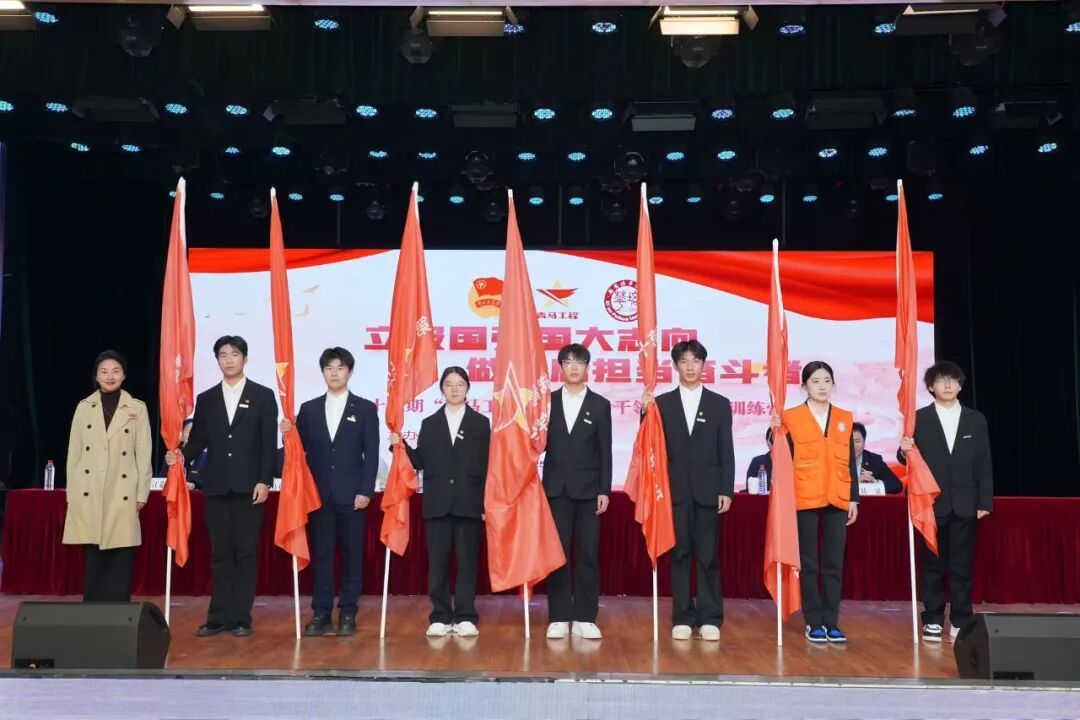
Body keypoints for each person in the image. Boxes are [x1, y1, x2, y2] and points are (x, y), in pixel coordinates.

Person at [167, 335, 276, 637]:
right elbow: (198, 440)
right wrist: (180, 455)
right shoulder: (207, 398)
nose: (229, 360)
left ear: (245, 358)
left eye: (234, 354)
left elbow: (268, 444)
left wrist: (265, 480)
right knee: (220, 553)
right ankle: (217, 616)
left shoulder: (263, 395)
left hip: (249, 487)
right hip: (215, 487)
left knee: (245, 552)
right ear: (217, 360)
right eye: (223, 355)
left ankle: (241, 617)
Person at [281, 347, 378, 637]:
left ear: (350, 372)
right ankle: (321, 613)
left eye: (340, 368)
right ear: (322, 372)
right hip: (317, 495)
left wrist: (365, 490)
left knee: (352, 557)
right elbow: (298, 451)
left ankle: (348, 612)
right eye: (329, 368)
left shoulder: (365, 408)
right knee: (322, 557)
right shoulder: (309, 409)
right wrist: (287, 434)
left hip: (353, 496)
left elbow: (371, 454)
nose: (334, 373)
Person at [642, 339, 734, 641]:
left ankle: (710, 617)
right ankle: (682, 616)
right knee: (679, 554)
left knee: (708, 556)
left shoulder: (719, 403)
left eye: (695, 361)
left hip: (709, 491)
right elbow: (648, 441)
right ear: (675, 366)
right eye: (684, 361)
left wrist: (726, 489)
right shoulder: (662, 404)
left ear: (704, 365)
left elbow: (726, 451)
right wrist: (645, 411)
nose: (690, 366)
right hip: (674, 491)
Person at [899, 361, 992, 643]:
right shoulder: (918, 418)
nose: (949, 385)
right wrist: (903, 450)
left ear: (961, 385)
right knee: (933, 565)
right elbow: (908, 458)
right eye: (942, 380)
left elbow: (984, 461)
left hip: (966, 501)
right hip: (931, 502)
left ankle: (961, 619)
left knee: (962, 565)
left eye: (954, 380)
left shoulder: (976, 419)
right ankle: (933, 619)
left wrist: (984, 500)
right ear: (930, 387)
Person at [392, 367, 490, 637]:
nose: (454, 389)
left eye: (460, 384)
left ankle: (466, 615)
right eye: (449, 384)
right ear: (442, 389)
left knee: (468, 564)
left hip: (469, 504)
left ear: (467, 388)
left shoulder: (480, 424)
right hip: (437, 504)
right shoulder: (430, 423)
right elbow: (420, 461)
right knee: (438, 564)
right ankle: (441, 615)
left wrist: (485, 504)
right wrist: (400, 447)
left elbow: (487, 467)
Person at [774, 361, 858, 644]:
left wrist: (853, 498)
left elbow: (849, 460)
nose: (822, 387)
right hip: (804, 496)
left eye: (827, 381)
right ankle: (813, 622)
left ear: (833, 385)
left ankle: (831, 621)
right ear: (804, 386)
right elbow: (780, 452)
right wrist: (774, 430)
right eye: (815, 381)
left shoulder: (844, 417)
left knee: (834, 563)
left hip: (838, 495)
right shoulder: (790, 417)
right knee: (809, 563)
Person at [63, 350, 152, 602]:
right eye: (104, 371)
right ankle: (93, 609)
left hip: (122, 489)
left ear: (124, 375)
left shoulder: (137, 408)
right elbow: (74, 453)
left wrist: (142, 492)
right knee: (94, 549)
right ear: (96, 376)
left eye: (115, 371)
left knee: (122, 549)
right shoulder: (84, 407)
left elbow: (143, 452)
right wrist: (72, 492)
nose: (110, 376)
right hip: (90, 486)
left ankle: (118, 609)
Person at [542, 344, 613, 641]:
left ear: (587, 367)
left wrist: (604, 489)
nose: (573, 367)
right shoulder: (546, 402)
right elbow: (534, 443)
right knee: (557, 554)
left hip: (589, 491)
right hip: (555, 489)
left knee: (587, 554)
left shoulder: (600, 404)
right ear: (560, 366)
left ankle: (585, 616)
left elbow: (605, 451)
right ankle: (559, 616)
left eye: (579, 362)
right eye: (568, 362)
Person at [852, 422, 902, 494]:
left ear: (864, 442)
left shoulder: (874, 460)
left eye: (857, 441)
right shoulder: (837, 460)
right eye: (849, 441)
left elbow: (897, 486)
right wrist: (855, 483)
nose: (853, 446)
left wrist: (876, 483)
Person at [157, 418, 203, 490]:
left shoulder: (208, 457)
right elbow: (161, 481)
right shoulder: (173, 454)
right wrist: (168, 465)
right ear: (182, 436)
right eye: (190, 431)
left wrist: (194, 485)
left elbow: (211, 481)